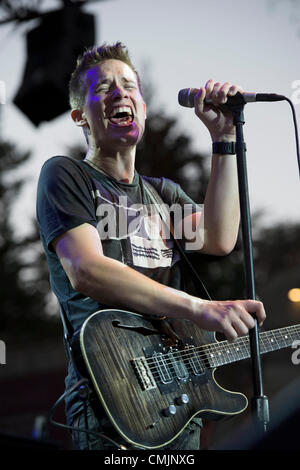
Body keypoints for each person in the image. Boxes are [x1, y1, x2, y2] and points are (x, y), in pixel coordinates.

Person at [36, 42, 266, 451]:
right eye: (103, 88)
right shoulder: (66, 175)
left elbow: (218, 237)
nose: (120, 93)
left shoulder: (163, 195)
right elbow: (87, 269)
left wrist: (225, 138)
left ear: (142, 106)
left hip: (174, 399)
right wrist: (199, 308)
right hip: (110, 402)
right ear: (79, 117)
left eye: (129, 86)